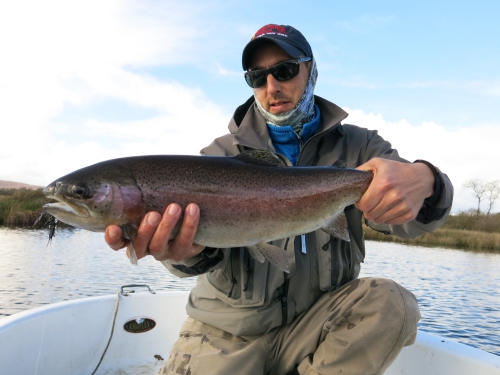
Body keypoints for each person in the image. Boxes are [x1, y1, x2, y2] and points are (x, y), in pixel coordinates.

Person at [105, 24, 453, 375]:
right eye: (257, 77)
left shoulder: (361, 149)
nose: (272, 87)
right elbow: (188, 262)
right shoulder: (217, 157)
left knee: (393, 304)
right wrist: (181, 254)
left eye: (285, 71)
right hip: (225, 336)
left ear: (311, 71)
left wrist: (427, 180)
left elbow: (415, 221)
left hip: (320, 328)